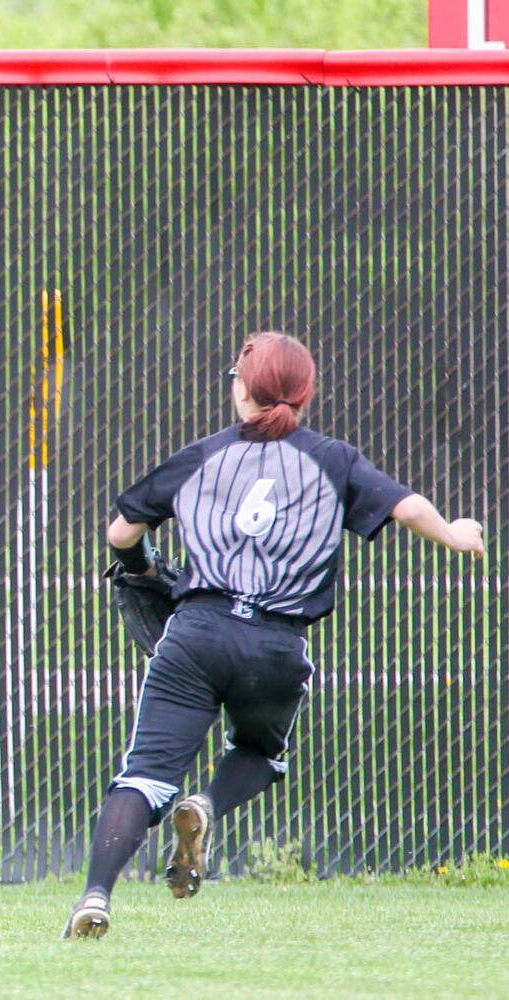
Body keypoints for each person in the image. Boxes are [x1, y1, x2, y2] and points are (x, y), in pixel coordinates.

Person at [63, 331, 486, 939]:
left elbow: (121, 533)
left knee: (146, 775)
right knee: (261, 754)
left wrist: (145, 574)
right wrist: (454, 533)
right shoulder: (334, 459)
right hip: (277, 644)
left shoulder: (201, 455)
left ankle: (96, 897)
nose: (232, 383)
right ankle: (207, 806)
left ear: (244, 389)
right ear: (303, 392)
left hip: (195, 635)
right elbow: (405, 506)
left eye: (236, 374)